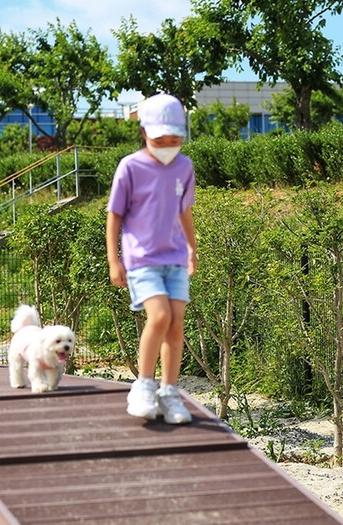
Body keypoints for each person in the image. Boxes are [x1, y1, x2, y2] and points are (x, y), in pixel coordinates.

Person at [105, 93, 198, 424]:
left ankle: (169, 392)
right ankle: (143, 385)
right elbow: (115, 215)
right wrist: (114, 260)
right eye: (161, 140)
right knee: (159, 316)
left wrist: (192, 247)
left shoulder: (184, 167)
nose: (168, 146)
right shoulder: (130, 167)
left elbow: (184, 211)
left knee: (176, 323)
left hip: (175, 256)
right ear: (144, 133)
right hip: (142, 258)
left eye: (175, 140)